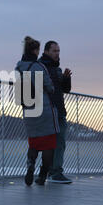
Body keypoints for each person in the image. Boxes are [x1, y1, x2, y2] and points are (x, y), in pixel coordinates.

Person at [15, 36, 60, 186]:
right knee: (48, 145)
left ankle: (30, 165)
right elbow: (49, 86)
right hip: (45, 109)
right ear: (35, 50)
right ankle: (42, 176)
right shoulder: (38, 67)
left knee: (33, 143)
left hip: (28, 111)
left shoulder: (19, 67)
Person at [38, 41, 72, 184]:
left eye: (58, 51)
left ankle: (50, 172)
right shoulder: (39, 67)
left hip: (59, 111)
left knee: (59, 142)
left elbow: (65, 90)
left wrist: (66, 78)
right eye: (54, 51)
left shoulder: (57, 69)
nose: (57, 54)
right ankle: (54, 172)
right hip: (47, 111)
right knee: (52, 143)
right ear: (46, 51)